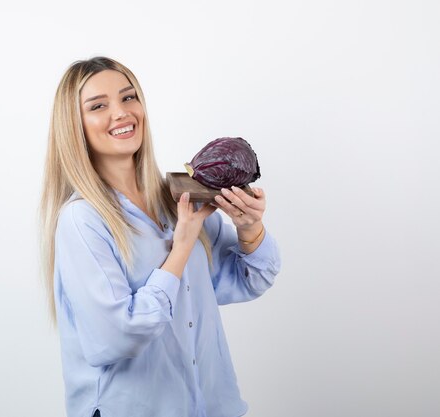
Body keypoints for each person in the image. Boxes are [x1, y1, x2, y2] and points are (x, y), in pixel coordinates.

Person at [38, 56, 281, 417]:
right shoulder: (82, 220)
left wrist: (249, 228)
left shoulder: (179, 195)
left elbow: (249, 281)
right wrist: (181, 248)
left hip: (214, 407)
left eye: (128, 97)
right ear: (75, 125)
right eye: (98, 106)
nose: (121, 113)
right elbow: (115, 337)